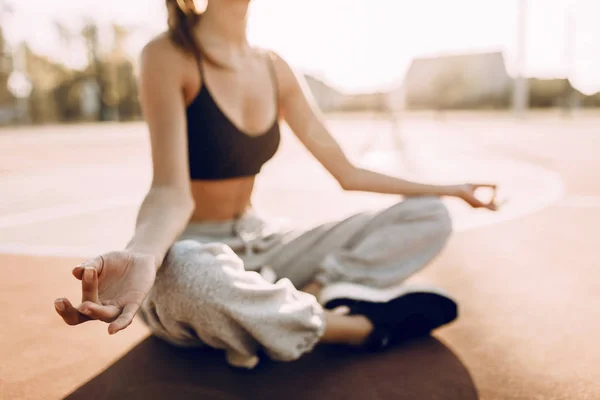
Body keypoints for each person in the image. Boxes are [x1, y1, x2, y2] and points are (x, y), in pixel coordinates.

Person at [54, 0, 499, 369]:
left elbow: (347, 172)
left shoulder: (274, 67)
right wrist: (143, 258)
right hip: (190, 250)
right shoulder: (168, 55)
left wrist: (448, 188)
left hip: (261, 243)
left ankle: (300, 300)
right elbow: (172, 191)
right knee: (189, 277)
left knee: (429, 214)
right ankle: (353, 329)